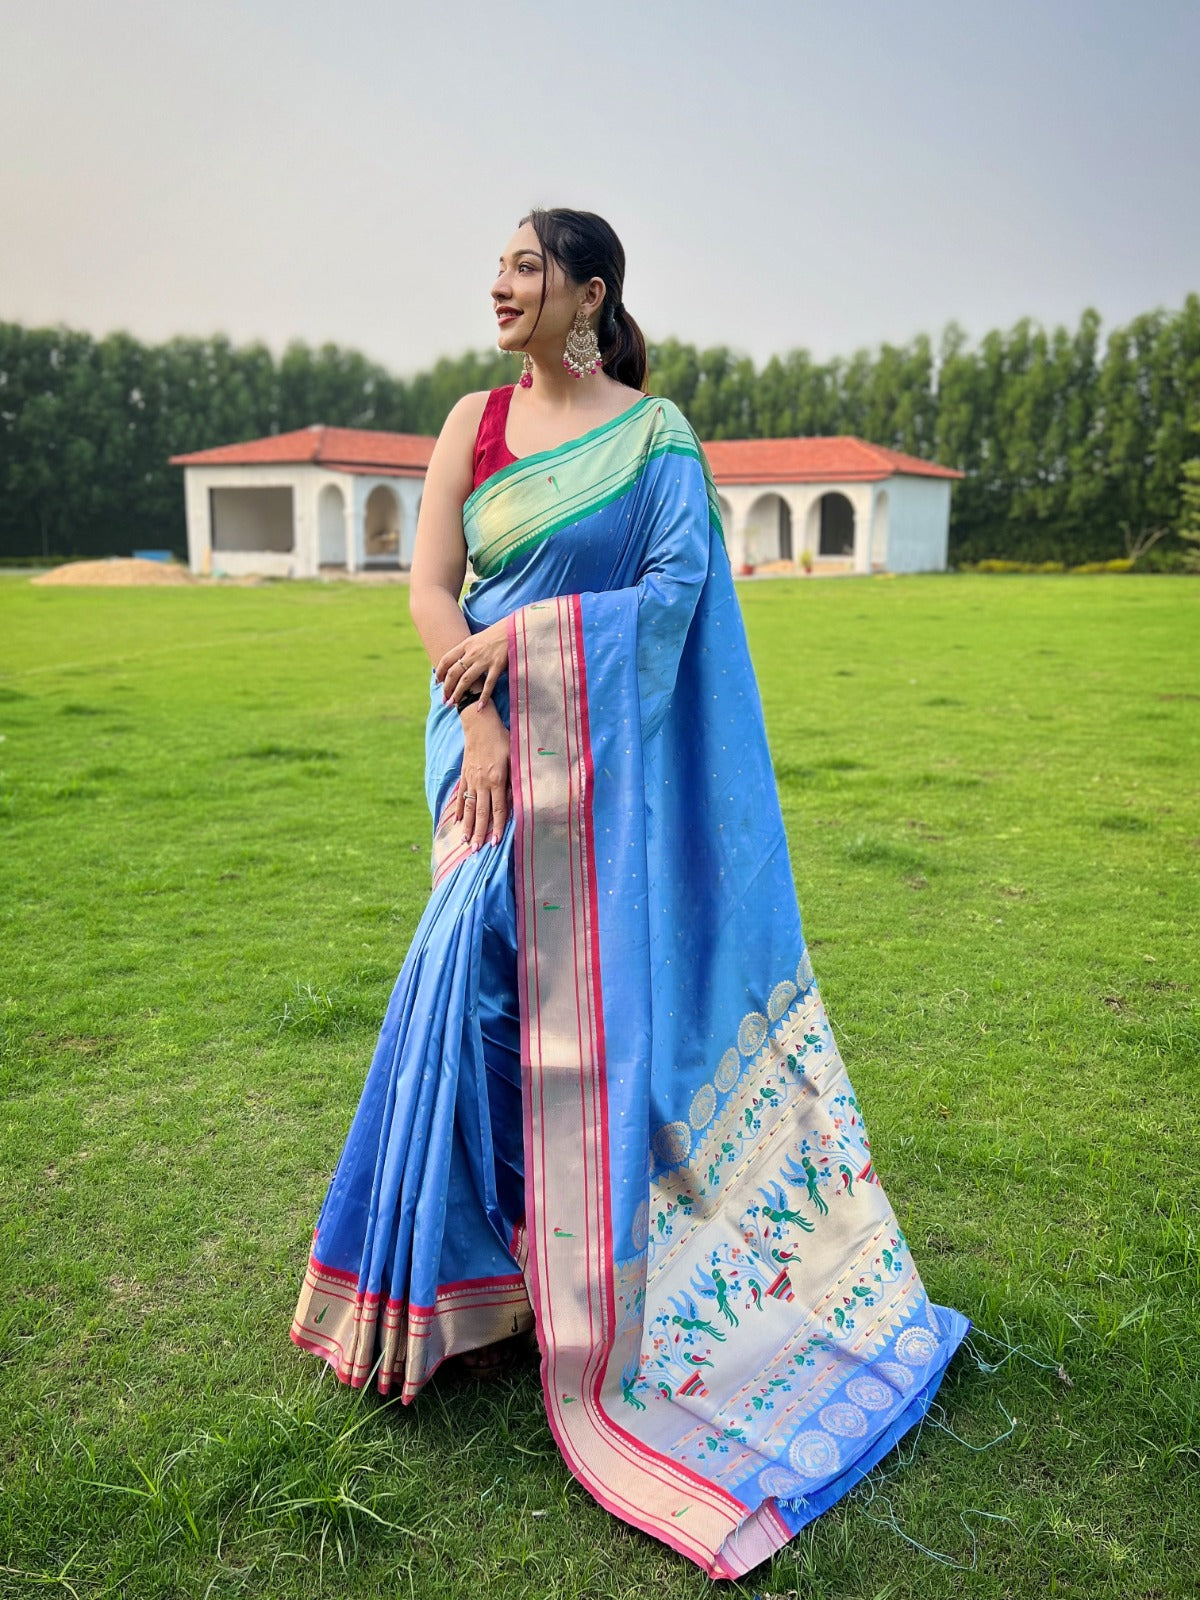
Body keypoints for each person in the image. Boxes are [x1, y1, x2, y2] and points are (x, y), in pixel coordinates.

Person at [289, 206, 971, 1579]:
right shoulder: (470, 426)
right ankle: (467, 1295)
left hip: (596, 772)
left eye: (528, 265)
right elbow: (432, 590)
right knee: (466, 990)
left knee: (541, 1007)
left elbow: (671, 603)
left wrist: (531, 644)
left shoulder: (654, 442)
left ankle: (563, 1288)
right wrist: (477, 725)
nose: (501, 282)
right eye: (499, 263)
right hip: (482, 754)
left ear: (588, 293)